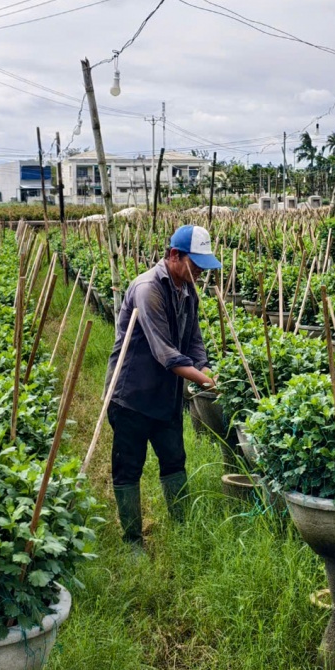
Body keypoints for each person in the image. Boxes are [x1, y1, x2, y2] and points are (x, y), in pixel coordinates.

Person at [105, 224, 221, 549]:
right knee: (129, 467)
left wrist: (204, 366)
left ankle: (182, 529)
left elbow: (194, 341)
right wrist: (204, 380)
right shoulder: (147, 289)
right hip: (131, 395)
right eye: (195, 264)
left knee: (174, 459)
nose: (199, 271)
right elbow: (164, 352)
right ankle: (132, 541)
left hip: (166, 395)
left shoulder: (188, 289)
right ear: (174, 255)